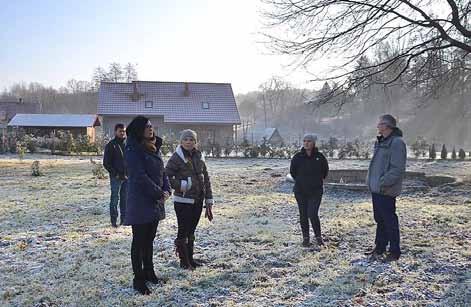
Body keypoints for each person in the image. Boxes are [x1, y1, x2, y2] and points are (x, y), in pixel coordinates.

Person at [124, 116, 171, 295]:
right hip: (140, 201)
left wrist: (167, 189)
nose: (151, 129)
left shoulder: (154, 147)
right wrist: (159, 193)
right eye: (147, 126)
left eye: (151, 126)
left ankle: (150, 273)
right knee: (139, 242)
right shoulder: (133, 149)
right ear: (138, 129)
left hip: (155, 201)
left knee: (149, 240)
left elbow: (162, 171)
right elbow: (139, 176)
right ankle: (139, 279)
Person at [165, 129, 214, 270]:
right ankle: (184, 261)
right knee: (183, 231)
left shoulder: (199, 156)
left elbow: (206, 178)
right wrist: (181, 185)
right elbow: (166, 176)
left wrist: (208, 198)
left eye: (191, 139)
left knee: (191, 231)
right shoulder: (176, 157)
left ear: (195, 142)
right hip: (183, 201)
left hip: (198, 200)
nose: (188, 142)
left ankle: (190, 259)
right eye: (186, 139)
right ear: (181, 142)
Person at [366, 114, 406, 262]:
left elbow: (397, 168)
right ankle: (380, 247)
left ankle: (394, 251)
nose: (378, 126)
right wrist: (371, 181)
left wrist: (383, 182)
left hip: (386, 189)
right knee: (380, 220)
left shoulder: (396, 143)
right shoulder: (381, 142)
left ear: (388, 126)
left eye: (380, 124)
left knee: (389, 221)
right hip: (376, 188)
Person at [290, 133, 329, 247]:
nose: (306, 143)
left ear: (314, 143)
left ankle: (318, 237)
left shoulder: (320, 157)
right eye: (304, 141)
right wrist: (301, 181)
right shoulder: (297, 157)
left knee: (312, 214)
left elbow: (325, 171)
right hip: (300, 191)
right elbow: (293, 172)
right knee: (303, 215)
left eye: (309, 141)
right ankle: (305, 238)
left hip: (315, 191)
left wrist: (316, 182)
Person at [103, 123, 127, 227]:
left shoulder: (128, 144)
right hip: (116, 178)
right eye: (120, 131)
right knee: (114, 199)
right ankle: (113, 220)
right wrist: (115, 174)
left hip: (127, 177)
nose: (122, 133)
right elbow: (106, 163)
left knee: (125, 199)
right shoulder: (111, 145)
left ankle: (124, 220)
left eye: (124, 131)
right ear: (115, 132)